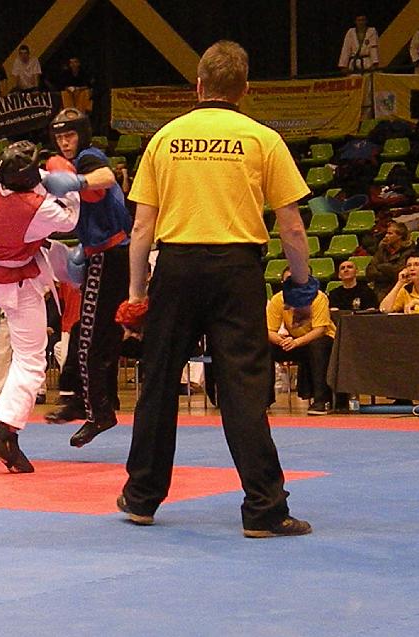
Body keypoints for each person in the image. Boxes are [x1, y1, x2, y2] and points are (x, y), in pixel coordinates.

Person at [117, 41, 314, 537]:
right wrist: (302, 285)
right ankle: (264, 509)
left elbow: (141, 227)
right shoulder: (263, 139)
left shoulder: (164, 139)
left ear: (199, 86)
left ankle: (141, 498)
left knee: (159, 382)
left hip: (176, 267)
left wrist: (137, 295)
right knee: (243, 387)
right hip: (237, 270)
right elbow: (291, 226)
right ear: (245, 90)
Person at [0, 140, 80, 473]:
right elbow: (70, 220)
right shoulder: (33, 209)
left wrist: (47, 174)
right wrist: (68, 179)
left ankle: (6, 433)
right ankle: (5, 432)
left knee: (66, 260)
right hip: (14, 281)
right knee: (31, 360)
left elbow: (30, 181)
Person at [41, 107, 132, 448]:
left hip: (109, 255)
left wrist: (77, 181)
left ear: (82, 134)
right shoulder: (72, 164)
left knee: (90, 338)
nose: (64, 142)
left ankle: (98, 411)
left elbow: (105, 177)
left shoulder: (89, 158)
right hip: (106, 254)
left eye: (70, 135)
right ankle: (82, 399)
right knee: (88, 332)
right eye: (60, 137)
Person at [267, 267, 336, 415]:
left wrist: (296, 342)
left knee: (317, 346)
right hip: (295, 341)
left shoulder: (318, 297)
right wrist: (279, 341)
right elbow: (269, 330)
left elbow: (320, 330)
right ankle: (264, 400)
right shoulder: (277, 299)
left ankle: (321, 401)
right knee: (265, 347)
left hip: (323, 340)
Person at [366, 221, 414, 300]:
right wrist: (386, 271)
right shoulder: (382, 249)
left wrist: (380, 267)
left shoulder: (410, 251)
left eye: (390, 233)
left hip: (401, 290)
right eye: (386, 233)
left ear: (400, 236)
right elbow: (370, 271)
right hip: (379, 290)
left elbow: (397, 272)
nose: (386, 236)